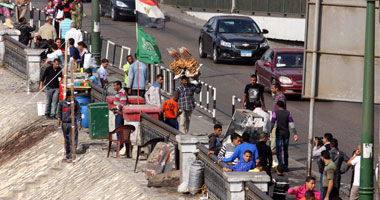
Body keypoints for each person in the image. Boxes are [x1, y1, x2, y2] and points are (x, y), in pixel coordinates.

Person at [271, 101, 298, 171]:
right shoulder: (288, 113)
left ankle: (280, 165)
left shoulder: (275, 113)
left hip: (279, 133)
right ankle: (286, 165)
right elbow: (291, 124)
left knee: (278, 150)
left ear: (277, 106)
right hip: (286, 133)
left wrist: (269, 131)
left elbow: (272, 123)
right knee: (285, 150)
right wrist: (295, 133)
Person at [57, 91, 81, 163]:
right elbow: (59, 112)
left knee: (72, 139)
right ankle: (67, 155)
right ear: (68, 96)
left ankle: (72, 155)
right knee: (66, 140)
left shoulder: (75, 103)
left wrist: (79, 121)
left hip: (72, 124)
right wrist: (59, 119)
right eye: (72, 96)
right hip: (64, 124)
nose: (74, 97)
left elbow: (78, 112)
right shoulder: (62, 103)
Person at [312, 133, 333, 198]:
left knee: (322, 188)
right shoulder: (332, 146)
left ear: (326, 139)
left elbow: (314, 153)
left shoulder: (324, 147)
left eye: (323, 138)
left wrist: (315, 145)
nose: (323, 139)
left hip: (324, 170)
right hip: (331, 169)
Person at [111, 81, 128, 149]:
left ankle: (120, 146)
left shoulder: (122, 93)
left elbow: (123, 104)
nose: (114, 87)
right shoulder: (118, 93)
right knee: (118, 130)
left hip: (120, 114)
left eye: (115, 86)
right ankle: (119, 145)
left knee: (119, 130)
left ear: (119, 86)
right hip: (117, 113)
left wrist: (115, 107)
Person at [270, 82, 286, 153]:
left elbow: (281, 107)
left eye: (272, 88)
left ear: (276, 89)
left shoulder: (281, 97)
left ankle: (273, 149)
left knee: (274, 134)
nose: (271, 89)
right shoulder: (278, 96)